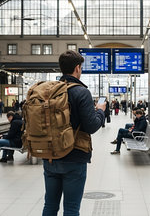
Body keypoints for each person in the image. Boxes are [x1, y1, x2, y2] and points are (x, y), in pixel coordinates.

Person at [42, 50, 105, 216]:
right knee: (71, 208)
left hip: (50, 155)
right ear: (77, 68)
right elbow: (92, 126)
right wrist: (100, 111)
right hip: (74, 156)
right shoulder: (81, 92)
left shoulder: (49, 91)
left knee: (50, 205)